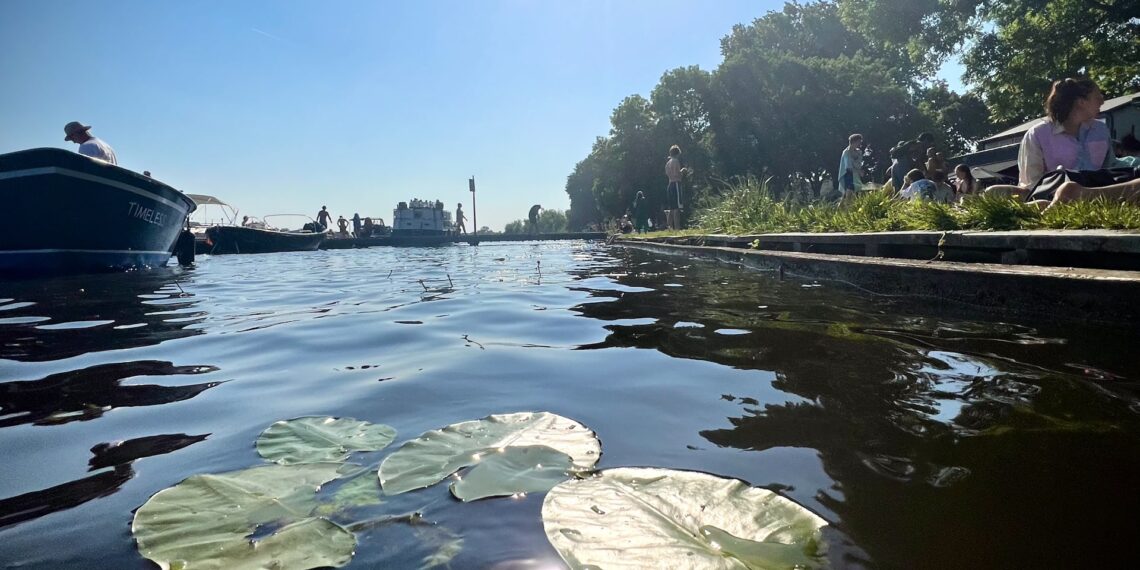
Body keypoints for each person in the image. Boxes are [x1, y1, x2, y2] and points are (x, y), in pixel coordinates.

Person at [987, 78, 1115, 204]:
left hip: (1099, 194)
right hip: (1052, 198)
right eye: (1097, 96)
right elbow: (1032, 184)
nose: (1102, 101)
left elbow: (1111, 168)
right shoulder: (1037, 134)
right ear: (1081, 102)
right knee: (992, 192)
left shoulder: (1101, 130)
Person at [664, 145, 685, 230]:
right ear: (677, 153)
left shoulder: (667, 163)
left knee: (671, 208)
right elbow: (677, 174)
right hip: (676, 184)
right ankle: (677, 228)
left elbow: (668, 174)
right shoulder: (676, 161)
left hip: (670, 185)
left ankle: (669, 228)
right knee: (677, 209)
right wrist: (682, 171)